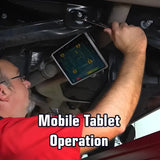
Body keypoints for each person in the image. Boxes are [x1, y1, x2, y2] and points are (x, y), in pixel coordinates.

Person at [0, 22, 147, 160]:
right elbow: (109, 122)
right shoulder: (10, 137)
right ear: (3, 92)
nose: (27, 82)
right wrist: (135, 51)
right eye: (19, 77)